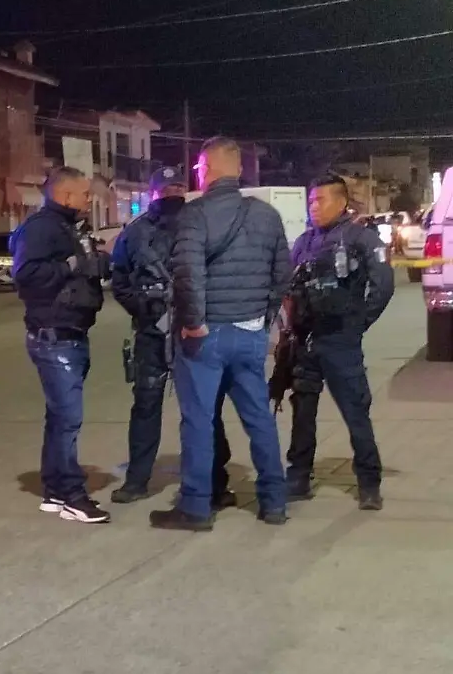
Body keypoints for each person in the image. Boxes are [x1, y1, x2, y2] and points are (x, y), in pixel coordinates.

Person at [151, 137, 291, 531]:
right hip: (250, 332)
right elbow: (282, 273)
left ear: (205, 169)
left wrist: (194, 321)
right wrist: (263, 316)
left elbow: (188, 273)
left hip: (206, 335)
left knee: (198, 421)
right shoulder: (266, 215)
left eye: (198, 168)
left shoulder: (195, 215)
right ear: (239, 170)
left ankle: (196, 507)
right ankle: (274, 502)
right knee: (259, 418)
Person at [109, 167, 238, 512]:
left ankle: (215, 483)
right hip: (152, 333)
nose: (173, 194)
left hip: (193, 331)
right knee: (146, 406)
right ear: (153, 193)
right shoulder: (136, 233)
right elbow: (120, 279)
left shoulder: (201, 223)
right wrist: (144, 308)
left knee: (203, 408)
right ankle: (137, 481)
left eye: (179, 187)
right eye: (167, 189)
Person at [284, 175, 394, 510]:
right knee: (303, 411)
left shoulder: (361, 238)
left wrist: (358, 324)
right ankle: (298, 476)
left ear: (342, 202)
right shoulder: (304, 242)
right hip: (306, 339)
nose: (313, 207)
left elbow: (383, 285)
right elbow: (288, 286)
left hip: (340, 340)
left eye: (321, 200)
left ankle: (369, 482)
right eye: (311, 201)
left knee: (355, 411)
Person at [11, 166, 110, 524]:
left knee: (60, 419)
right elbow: (26, 275)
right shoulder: (41, 228)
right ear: (65, 195)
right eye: (84, 194)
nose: (88, 199)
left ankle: (54, 491)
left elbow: (84, 266)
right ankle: (72, 496)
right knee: (68, 419)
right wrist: (72, 264)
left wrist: (96, 262)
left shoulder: (69, 227)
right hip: (54, 336)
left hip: (71, 333)